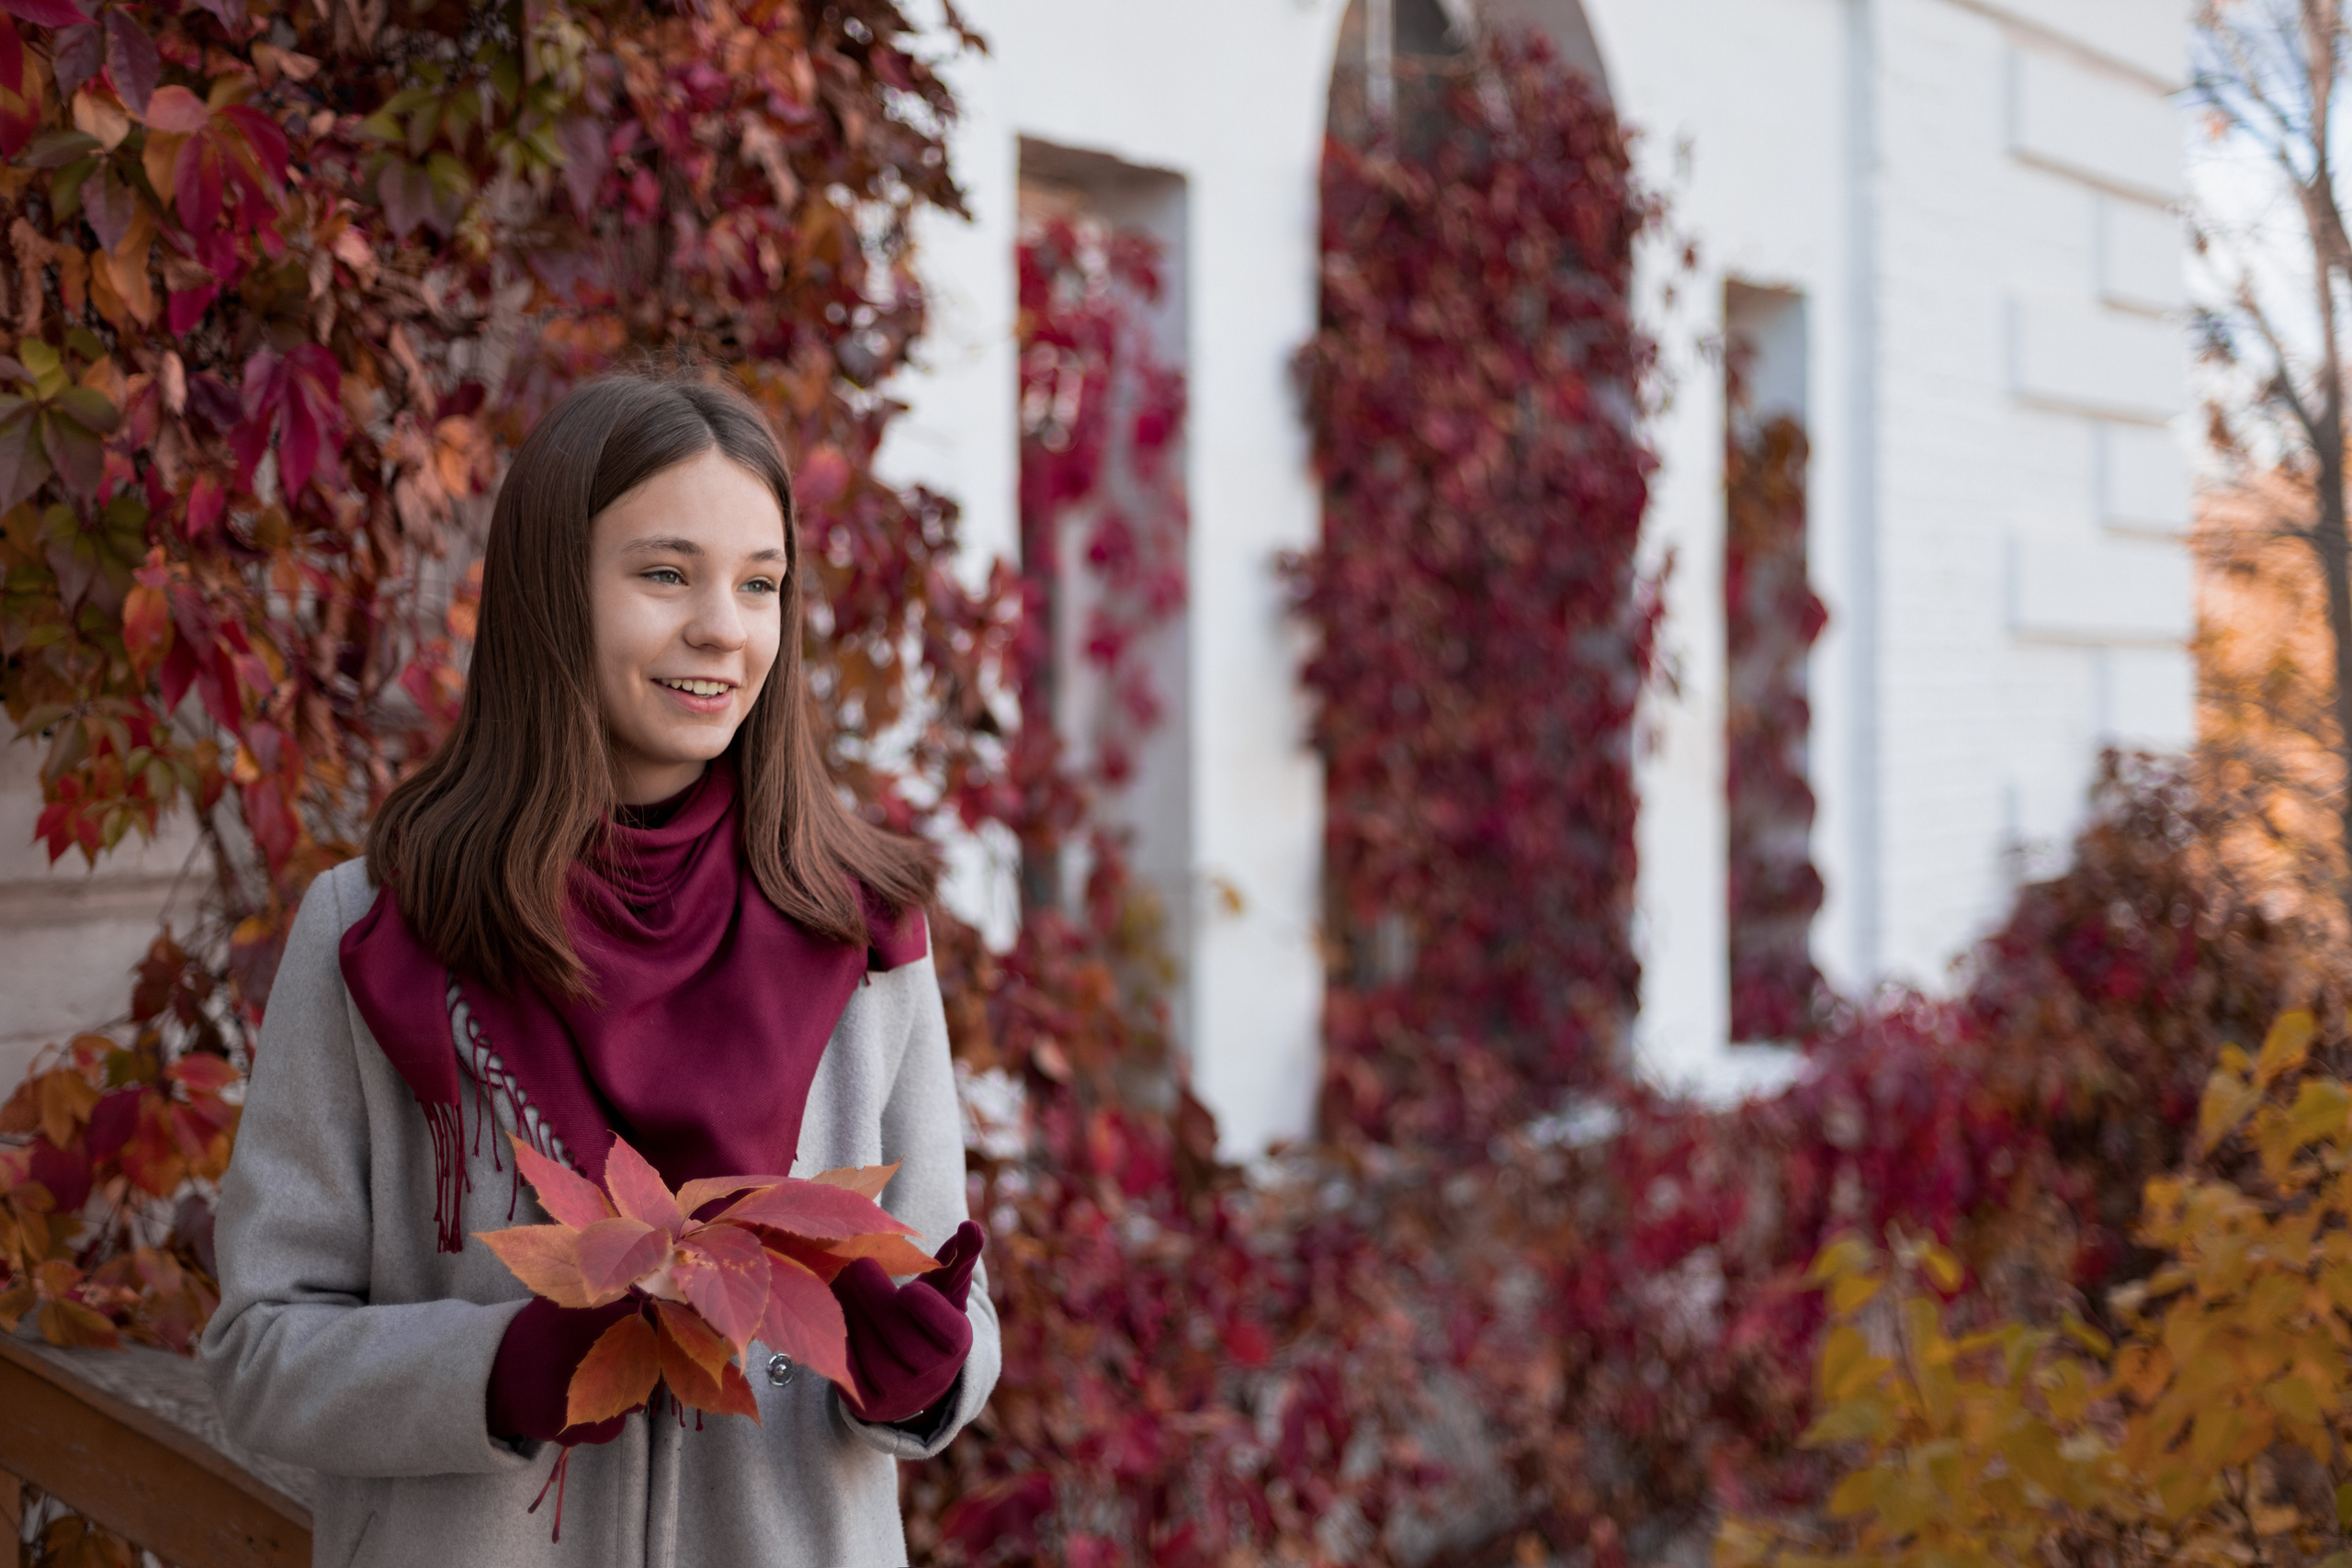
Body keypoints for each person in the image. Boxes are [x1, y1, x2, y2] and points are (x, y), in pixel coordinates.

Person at [200, 371, 999, 1567]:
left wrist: (927, 1376)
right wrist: (499, 1371)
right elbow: (261, 1357)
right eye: (666, 574)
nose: (725, 626)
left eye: (761, 583)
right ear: (550, 592)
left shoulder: (866, 933)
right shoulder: (379, 931)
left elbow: (958, 1315)